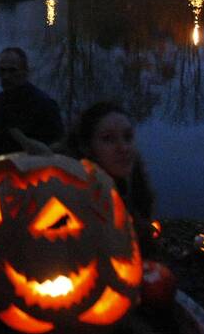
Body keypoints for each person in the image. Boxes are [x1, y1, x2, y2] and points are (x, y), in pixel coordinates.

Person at [0, 47, 63, 205]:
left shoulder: (45, 105)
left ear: (25, 72)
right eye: (2, 71)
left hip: (37, 187)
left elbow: (59, 153)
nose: (6, 76)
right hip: (4, 185)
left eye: (12, 71)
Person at [64, 102, 158, 258]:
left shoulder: (135, 189)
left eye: (128, 137)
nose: (123, 148)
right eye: (108, 139)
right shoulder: (70, 199)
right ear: (87, 147)